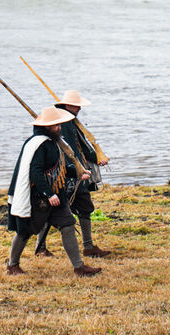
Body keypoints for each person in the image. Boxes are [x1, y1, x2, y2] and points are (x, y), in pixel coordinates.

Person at [5, 106, 101, 277]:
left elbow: (58, 168)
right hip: (38, 198)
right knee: (25, 231)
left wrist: (78, 173)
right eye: (55, 125)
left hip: (57, 195)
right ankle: (12, 266)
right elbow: (35, 172)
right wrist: (49, 194)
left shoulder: (54, 143)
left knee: (68, 225)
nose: (59, 127)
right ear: (46, 126)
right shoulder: (39, 145)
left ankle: (79, 267)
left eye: (59, 124)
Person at [34, 90, 112, 258]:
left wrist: (96, 158)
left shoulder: (69, 120)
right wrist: (75, 170)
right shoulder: (63, 122)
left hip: (74, 172)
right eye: (77, 106)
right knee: (51, 210)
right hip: (65, 174)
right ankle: (41, 248)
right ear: (69, 105)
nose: (80, 109)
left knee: (84, 206)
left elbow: (80, 145)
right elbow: (68, 149)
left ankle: (88, 246)